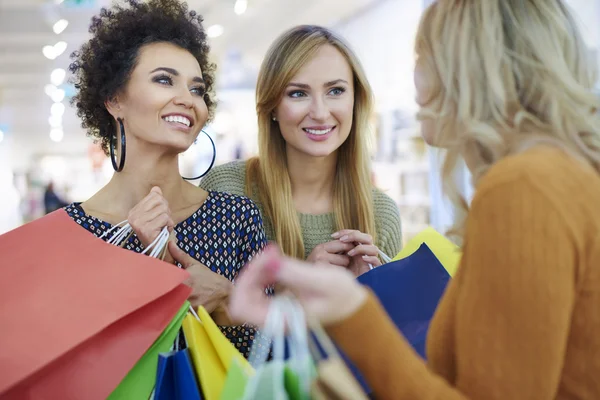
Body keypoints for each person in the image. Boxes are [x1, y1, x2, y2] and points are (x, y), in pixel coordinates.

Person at [227, 0, 600, 398]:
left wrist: (354, 312)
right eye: (299, 92)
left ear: (466, 69)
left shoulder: (524, 188)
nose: (414, 81)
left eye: (423, 58)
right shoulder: (556, 176)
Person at [66, 0, 267, 358]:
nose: (187, 100)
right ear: (114, 99)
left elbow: (271, 357)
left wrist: (229, 299)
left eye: (197, 89)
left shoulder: (236, 219)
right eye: (163, 80)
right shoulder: (71, 235)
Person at [199, 25, 402, 276]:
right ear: (272, 106)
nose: (319, 112)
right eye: (298, 93)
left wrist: (369, 297)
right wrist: (299, 289)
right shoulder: (227, 191)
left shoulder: (381, 214)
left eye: (335, 91)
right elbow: (205, 311)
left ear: (355, 100)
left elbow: (397, 317)